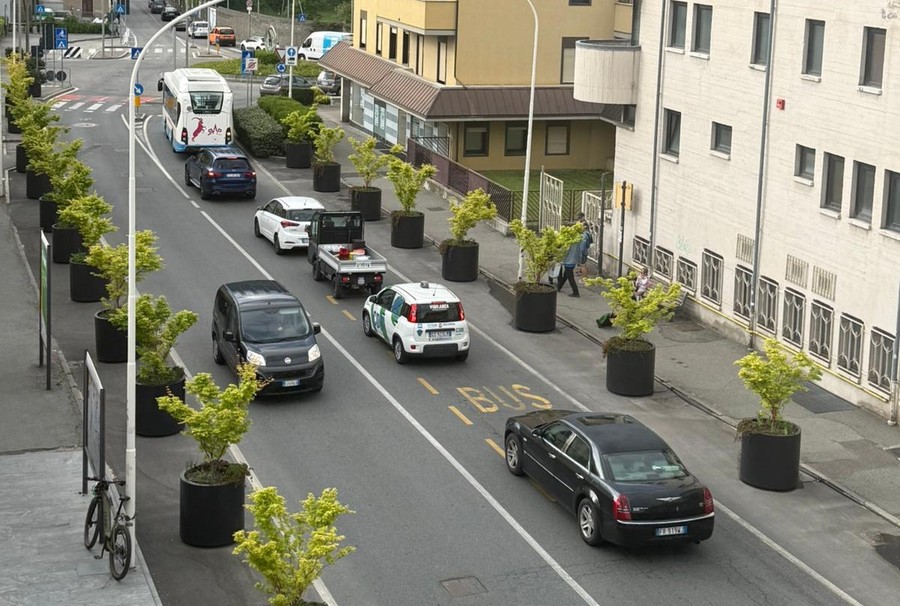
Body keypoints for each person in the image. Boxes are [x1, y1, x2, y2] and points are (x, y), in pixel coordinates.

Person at [557, 216, 592, 297]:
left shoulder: (571, 239)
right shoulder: (577, 237)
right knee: (566, 275)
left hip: (569, 260)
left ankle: (576, 292)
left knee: (570, 277)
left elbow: (564, 249)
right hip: (571, 260)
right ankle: (559, 287)